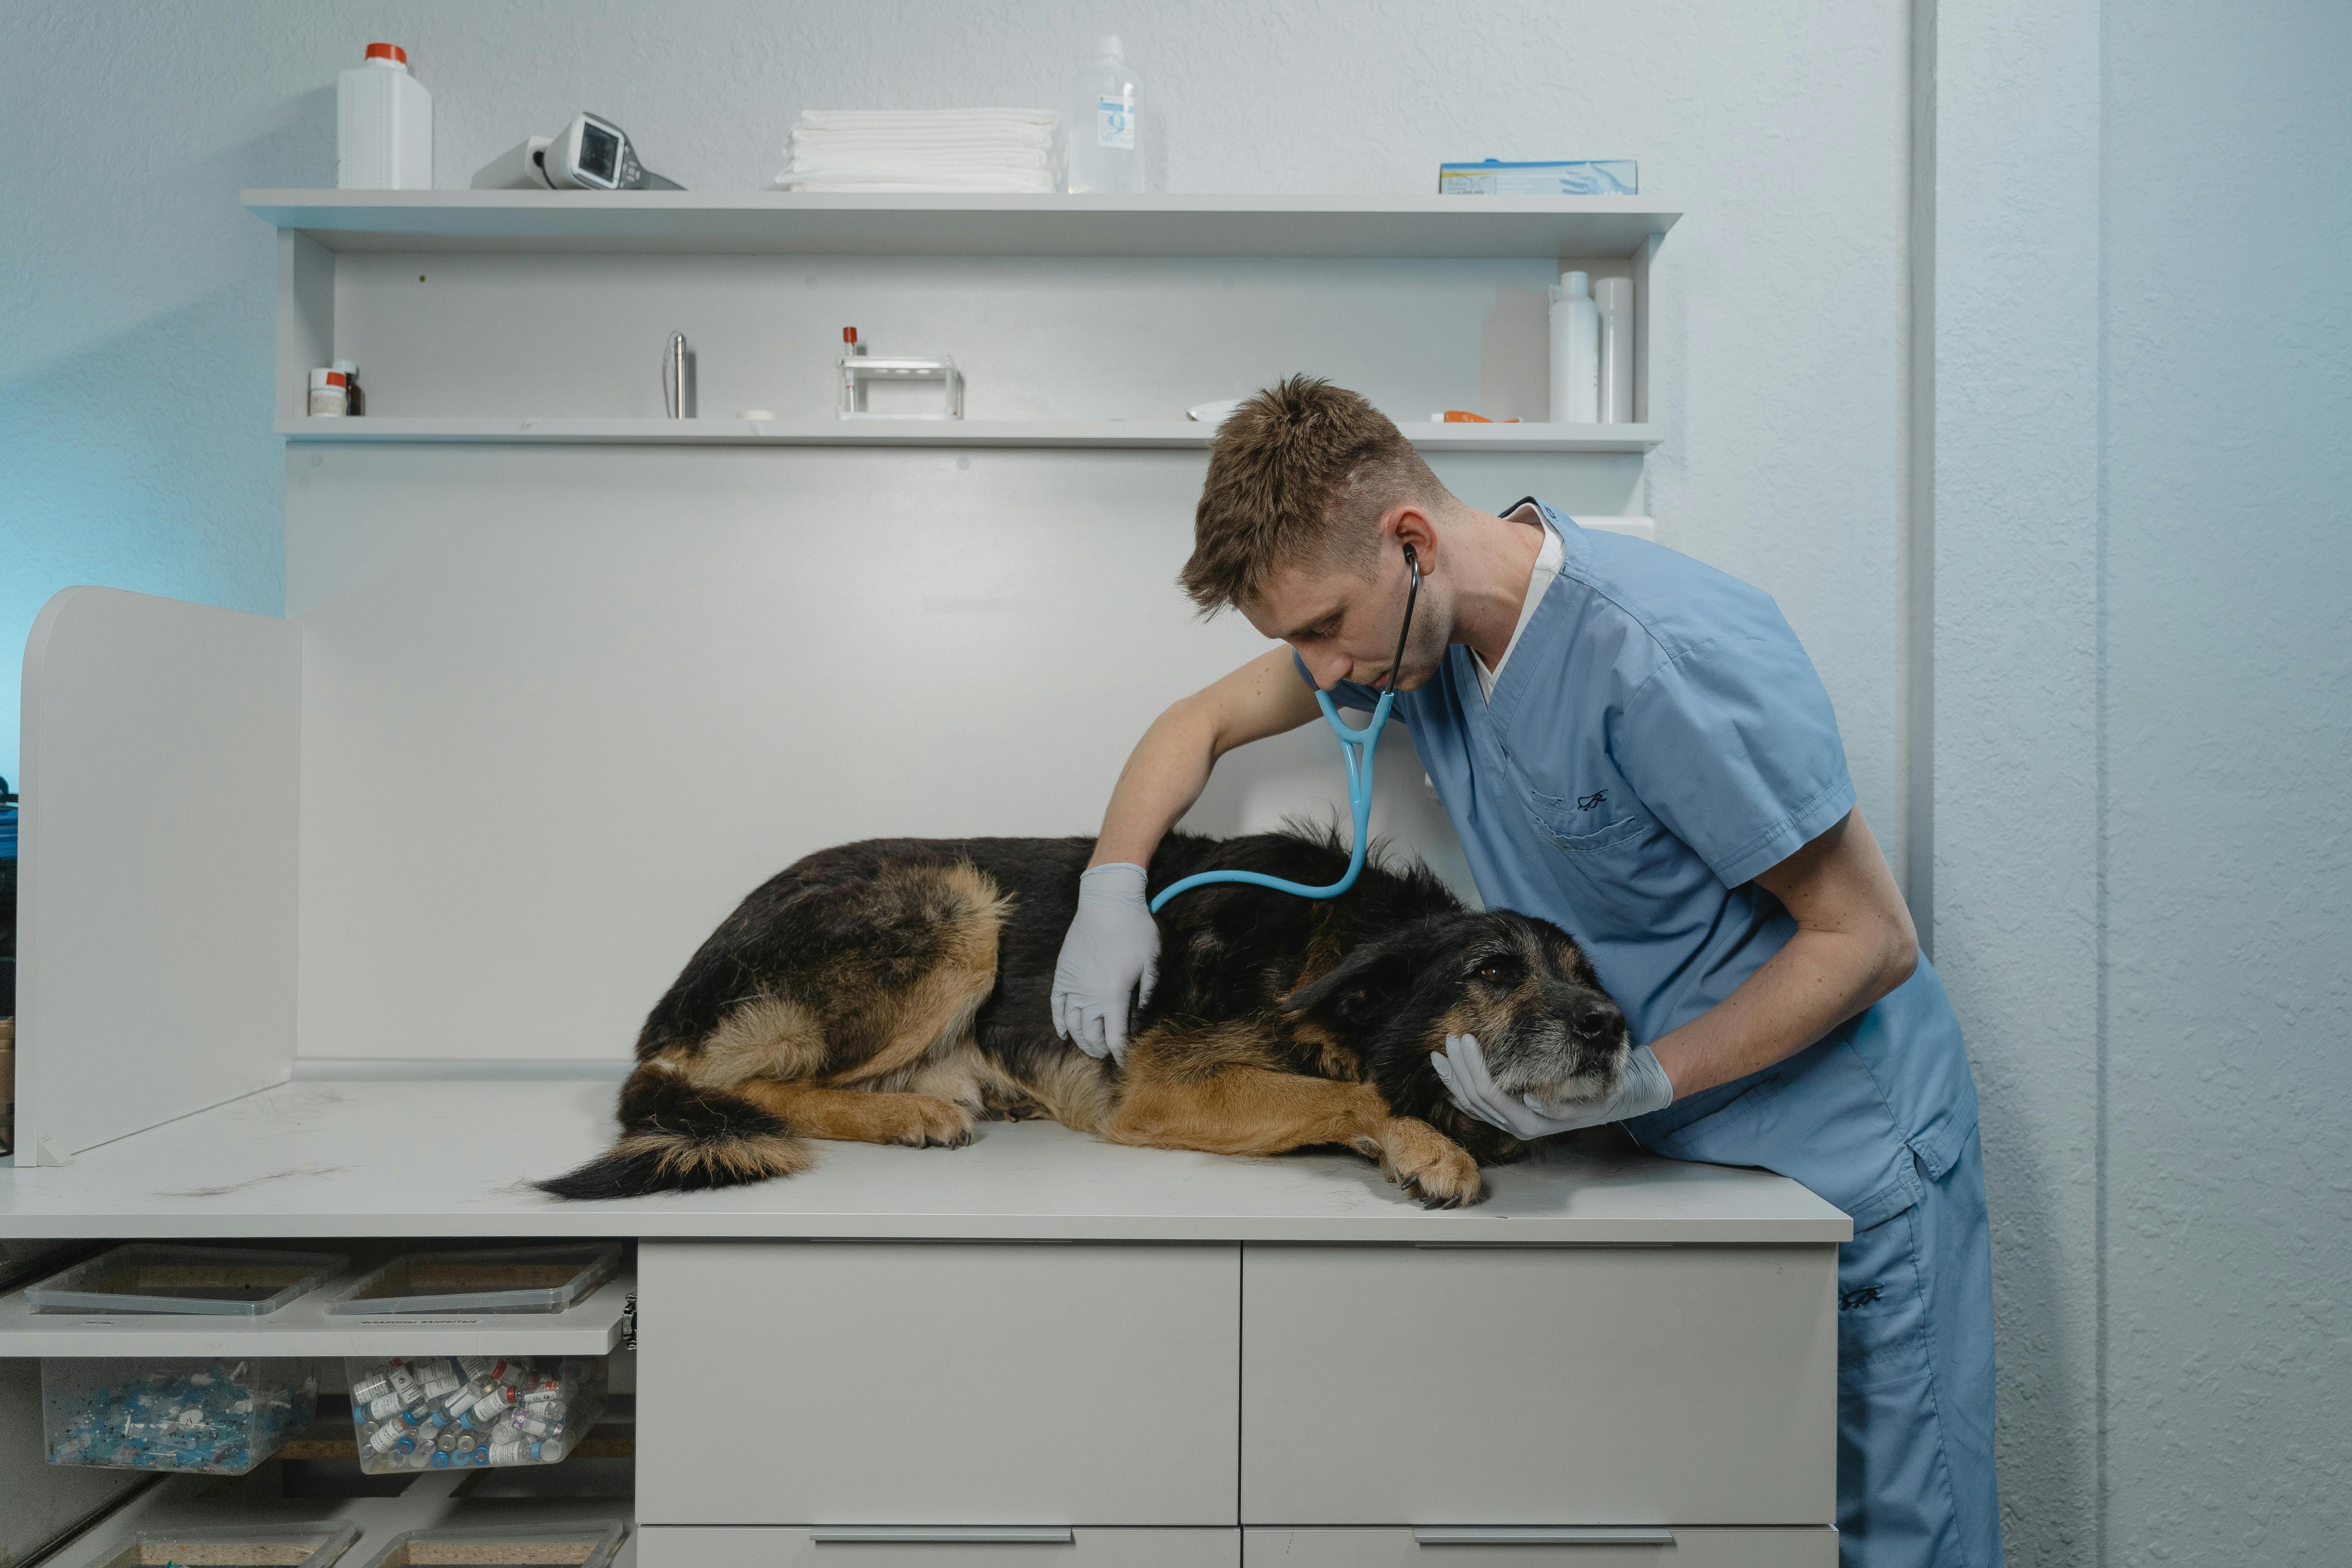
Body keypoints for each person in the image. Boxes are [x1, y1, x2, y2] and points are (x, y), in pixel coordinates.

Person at [1049, 378, 2000, 1568]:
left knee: (1891, 1539)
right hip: (1672, 1160)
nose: (1323, 670)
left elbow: (1870, 938)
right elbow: (1193, 724)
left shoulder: (1661, 653)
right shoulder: (1413, 638)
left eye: (1325, 627)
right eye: (1293, 643)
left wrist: (1648, 1077)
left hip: (1836, 1149)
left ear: (1409, 543)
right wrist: (1111, 885)